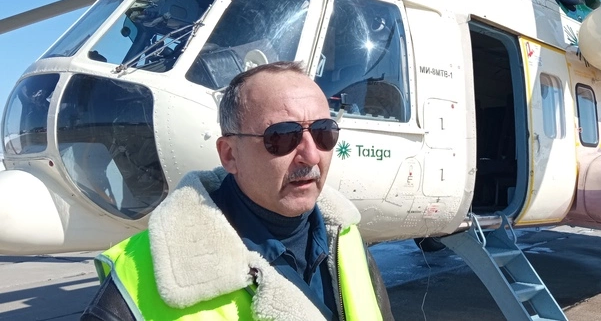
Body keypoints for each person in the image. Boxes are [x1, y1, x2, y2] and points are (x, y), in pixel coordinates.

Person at [82, 61, 393, 321]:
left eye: (324, 132)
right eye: (282, 137)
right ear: (230, 154)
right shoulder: (146, 274)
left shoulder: (346, 239)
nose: (311, 155)